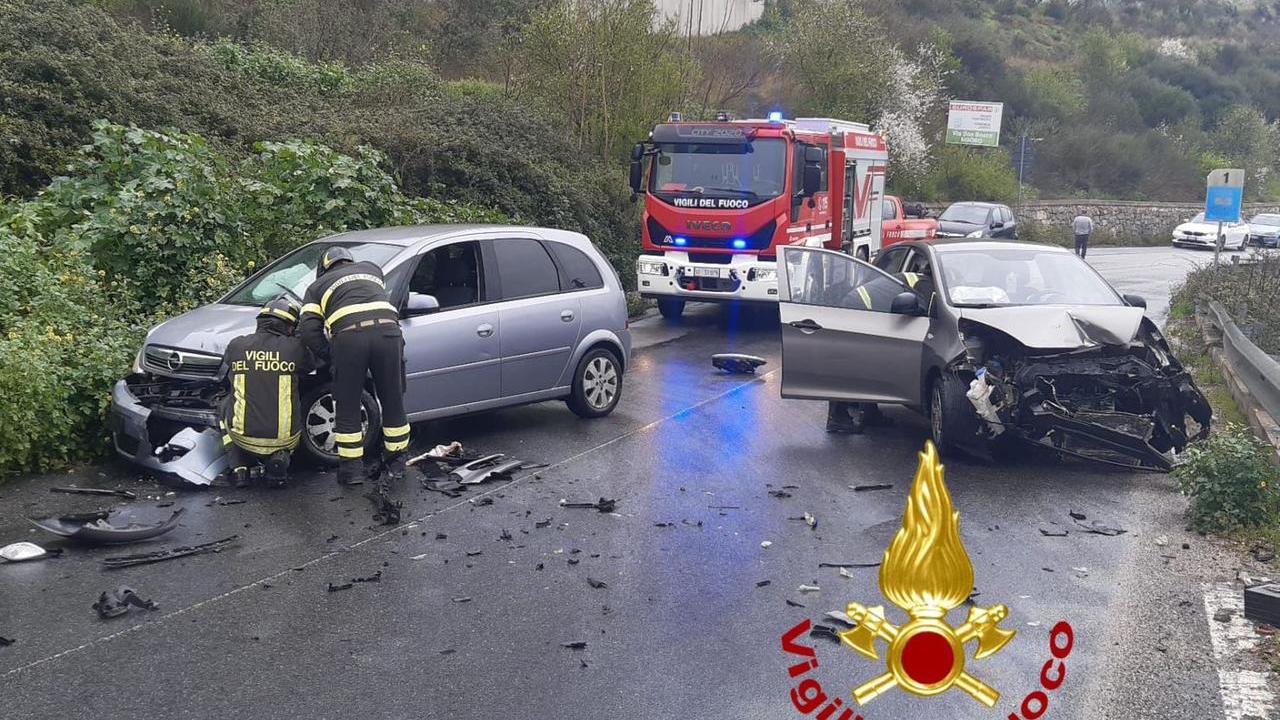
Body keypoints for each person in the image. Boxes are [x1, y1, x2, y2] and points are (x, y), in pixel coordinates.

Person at [298, 247, 410, 488]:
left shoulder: (316, 287)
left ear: (325, 267)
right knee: (392, 399)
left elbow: (307, 330)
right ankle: (398, 462)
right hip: (389, 334)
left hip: (349, 339)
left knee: (347, 404)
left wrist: (330, 354)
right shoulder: (372, 269)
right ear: (349, 260)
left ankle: (351, 471)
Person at [219, 296, 314, 487]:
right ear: (289, 326)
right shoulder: (295, 348)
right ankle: (279, 460)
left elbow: (229, 366)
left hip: (242, 439)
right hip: (285, 440)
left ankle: (239, 468)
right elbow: (310, 365)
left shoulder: (237, 345)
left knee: (223, 407)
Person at [825, 268, 931, 434]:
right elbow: (925, 312)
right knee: (851, 364)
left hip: (868, 310)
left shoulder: (913, 279)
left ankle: (870, 413)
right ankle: (837, 417)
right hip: (858, 309)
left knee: (871, 364)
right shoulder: (926, 284)